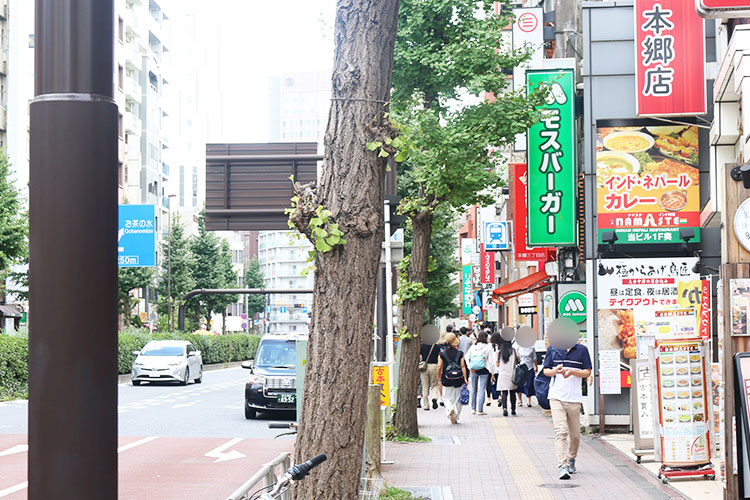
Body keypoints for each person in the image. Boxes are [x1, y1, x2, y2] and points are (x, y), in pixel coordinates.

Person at [543, 342, 592, 480]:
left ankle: (571, 458)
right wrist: (555, 371)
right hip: (556, 396)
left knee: (575, 435)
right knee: (561, 431)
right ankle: (562, 465)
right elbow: (546, 370)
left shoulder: (582, 350)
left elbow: (588, 371)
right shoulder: (553, 348)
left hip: (574, 398)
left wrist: (572, 372)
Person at [437, 332, 468, 424]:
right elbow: (463, 366)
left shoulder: (442, 354)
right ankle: (456, 415)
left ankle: (450, 409)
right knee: (458, 398)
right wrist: (465, 378)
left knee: (446, 397)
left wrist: (438, 377)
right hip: (458, 379)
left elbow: (439, 367)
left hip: (447, 379)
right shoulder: (460, 353)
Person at [465, 331, 493, 415]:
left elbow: (466, 357)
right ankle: (480, 410)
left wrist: (470, 367)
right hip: (484, 369)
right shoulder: (488, 347)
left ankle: (473, 409)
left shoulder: (473, 346)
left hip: (474, 369)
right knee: (482, 389)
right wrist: (492, 371)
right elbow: (491, 360)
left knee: (474, 389)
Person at [495, 340, 517, 416]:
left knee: (504, 393)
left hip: (503, 374)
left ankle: (505, 409)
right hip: (512, 374)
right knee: (512, 392)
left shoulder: (499, 352)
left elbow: (497, 364)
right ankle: (513, 409)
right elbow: (518, 360)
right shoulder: (514, 350)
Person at [419, 338, 441, 410]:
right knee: (434, 384)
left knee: (425, 386)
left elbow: (419, 355)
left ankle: (426, 405)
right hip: (434, 365)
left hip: (424, 366)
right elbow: (439, 356)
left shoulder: (422, 345)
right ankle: (434, 398)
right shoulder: (436, 346)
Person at [514, 340, 537, 407]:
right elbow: (516, 358)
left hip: (529, 367)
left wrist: (536, 366)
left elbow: (534, 358)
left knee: (529, 384)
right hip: (520, 368)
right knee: (519, 385)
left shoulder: (532, 347)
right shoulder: (517, 346)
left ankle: (528, 401)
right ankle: (520, 400)